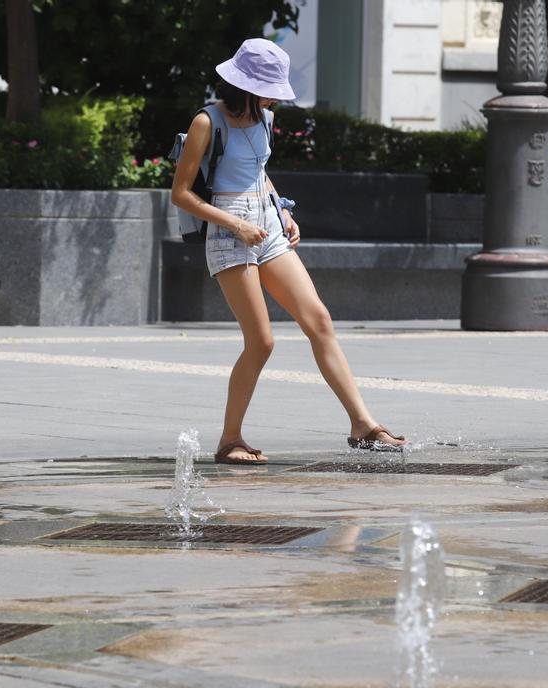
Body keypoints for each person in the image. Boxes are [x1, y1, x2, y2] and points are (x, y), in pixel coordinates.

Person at [170, 39, 407, 465]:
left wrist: (281, 210)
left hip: (267, 225)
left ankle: (362, 425)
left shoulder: (266, 119)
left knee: (319, 319)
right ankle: (230, 440)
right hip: (229, 232)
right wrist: (236, 224)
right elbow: (182, 195)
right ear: (244, 85)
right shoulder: (208, 121)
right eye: (268, 87)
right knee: (261, 341)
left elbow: (259, 173)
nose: (275, 95)